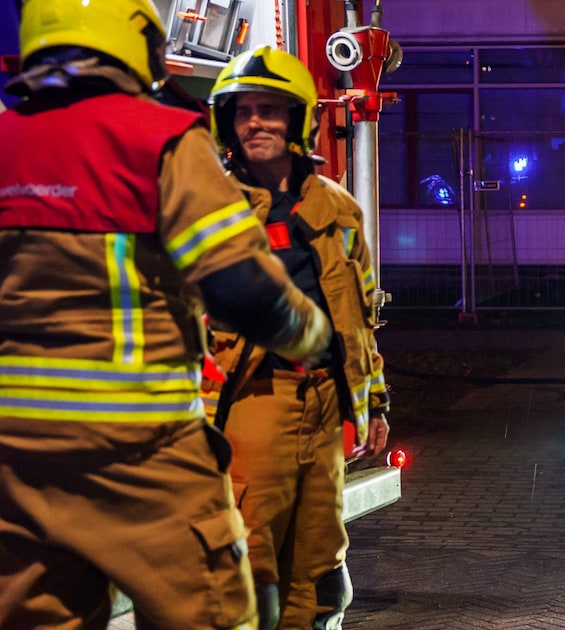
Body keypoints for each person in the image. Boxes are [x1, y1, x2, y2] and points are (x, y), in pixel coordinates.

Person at [0, 1, 332, 628]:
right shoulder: (160, 139)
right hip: (138, 446)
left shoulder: (5, 142)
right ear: (139, 40)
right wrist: (313, 335)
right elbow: (242, 289)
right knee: (213, 611)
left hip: (16, 459)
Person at [203, 45, 391, 630]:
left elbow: (360, 316)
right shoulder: (210, 207)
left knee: (320, 563)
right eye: (242, 111)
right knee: (250, 563)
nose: (255, 122)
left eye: (269, 110)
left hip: (327, 404)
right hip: (254, 404)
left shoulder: (337, 208)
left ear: (298, 119)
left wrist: (376, 401)